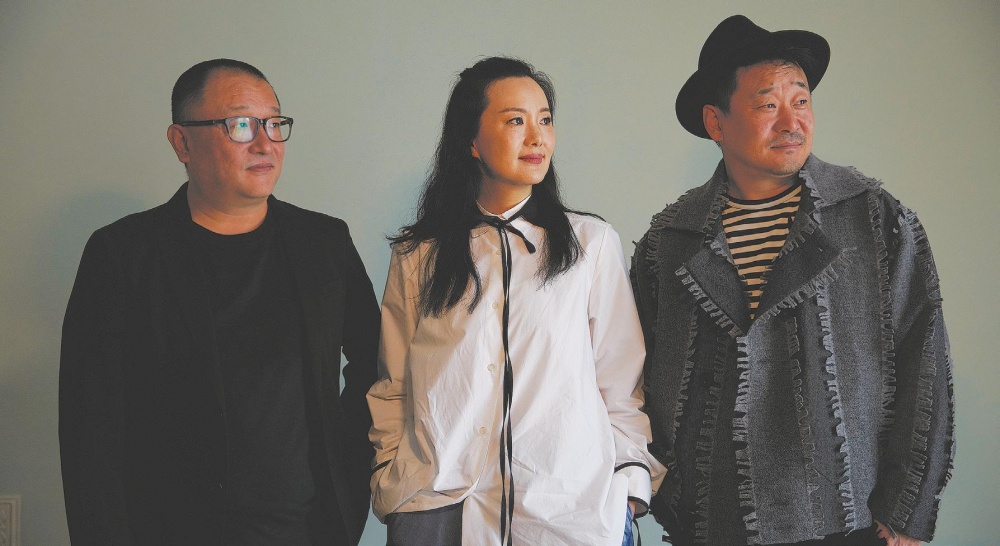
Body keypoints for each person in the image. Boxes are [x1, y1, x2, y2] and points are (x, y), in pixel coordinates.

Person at [631, 15, 956, 546]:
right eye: (767, 105)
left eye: (800, 101)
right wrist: (662, 494)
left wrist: (906, 510)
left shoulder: (874, 220)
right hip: (707, 524)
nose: (791, 122)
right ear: (716, 122)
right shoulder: (669, 242)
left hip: (848, 520)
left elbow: (925, 360)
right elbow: (635, 382)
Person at [59, 59, 380, 546]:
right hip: (168, 532)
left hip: (306, 531)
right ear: (182, 142)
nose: (265, 143)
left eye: (274, 123)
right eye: (241, 125)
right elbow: (90, 432)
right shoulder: (122, 255)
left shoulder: (323, 243)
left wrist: (350, 469)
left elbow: (375, 362)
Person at [367, 56, 663, 546]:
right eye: (515, 121)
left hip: (566, 510)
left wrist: (629, 487)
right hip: (438, 507)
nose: (537, 137)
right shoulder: (419, 253)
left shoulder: (590, 244)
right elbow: (393, 383)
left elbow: (620, 380)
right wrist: (391, 478)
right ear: (471, 140)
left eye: (545, 119)